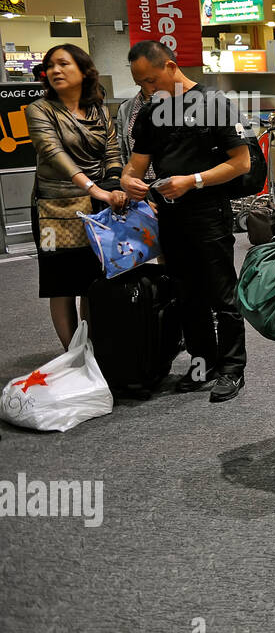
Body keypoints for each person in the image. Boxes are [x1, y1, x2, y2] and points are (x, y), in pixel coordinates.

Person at [121, 40, 249, 402]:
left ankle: (232, 368)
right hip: (169, 216)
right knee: (186, 294)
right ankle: (202, 364)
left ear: (171, 67)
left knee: (221, 293)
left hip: (208, 213)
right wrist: (127, 180)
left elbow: (241, 163)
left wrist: (193, 181)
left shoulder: (214, 104)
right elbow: (137, 165)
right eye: (141, 84)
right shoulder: (149, 113)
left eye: (151, 80)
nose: (147, 90)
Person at [27, 44, 126, 349]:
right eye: (51, 66)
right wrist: (93, 188)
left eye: (63, 64)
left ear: (84, 71)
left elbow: (112, 151)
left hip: (96, 206)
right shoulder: (39, 110)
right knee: (60, 283)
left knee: (91, 280)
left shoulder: (98, 110)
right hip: (54, 208)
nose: (55, 70)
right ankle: (72, 354)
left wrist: (112, 184)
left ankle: (92, 348)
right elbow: (54, 153)